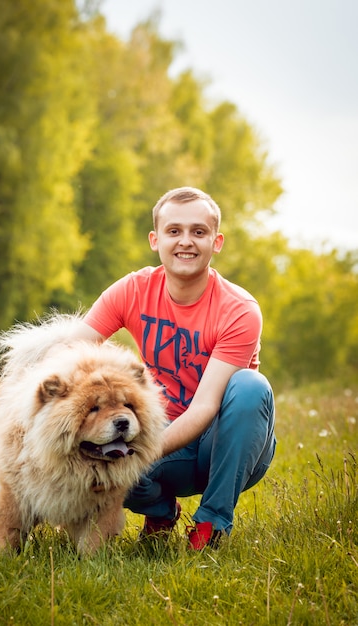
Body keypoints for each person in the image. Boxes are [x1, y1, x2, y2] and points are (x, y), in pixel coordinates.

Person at [77, 186, 276, 550]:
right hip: (164, 434)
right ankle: (161, 512)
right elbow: (70, 348)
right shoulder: (132, 290)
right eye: (174, 231)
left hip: (224, 445)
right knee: (108, 452)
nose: (186, 241)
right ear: (155, 239)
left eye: (198, 232)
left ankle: (211, 525)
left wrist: (138, 452)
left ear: (217, 242)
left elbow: (204, 408)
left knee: (251, 385)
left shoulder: (240, 309)